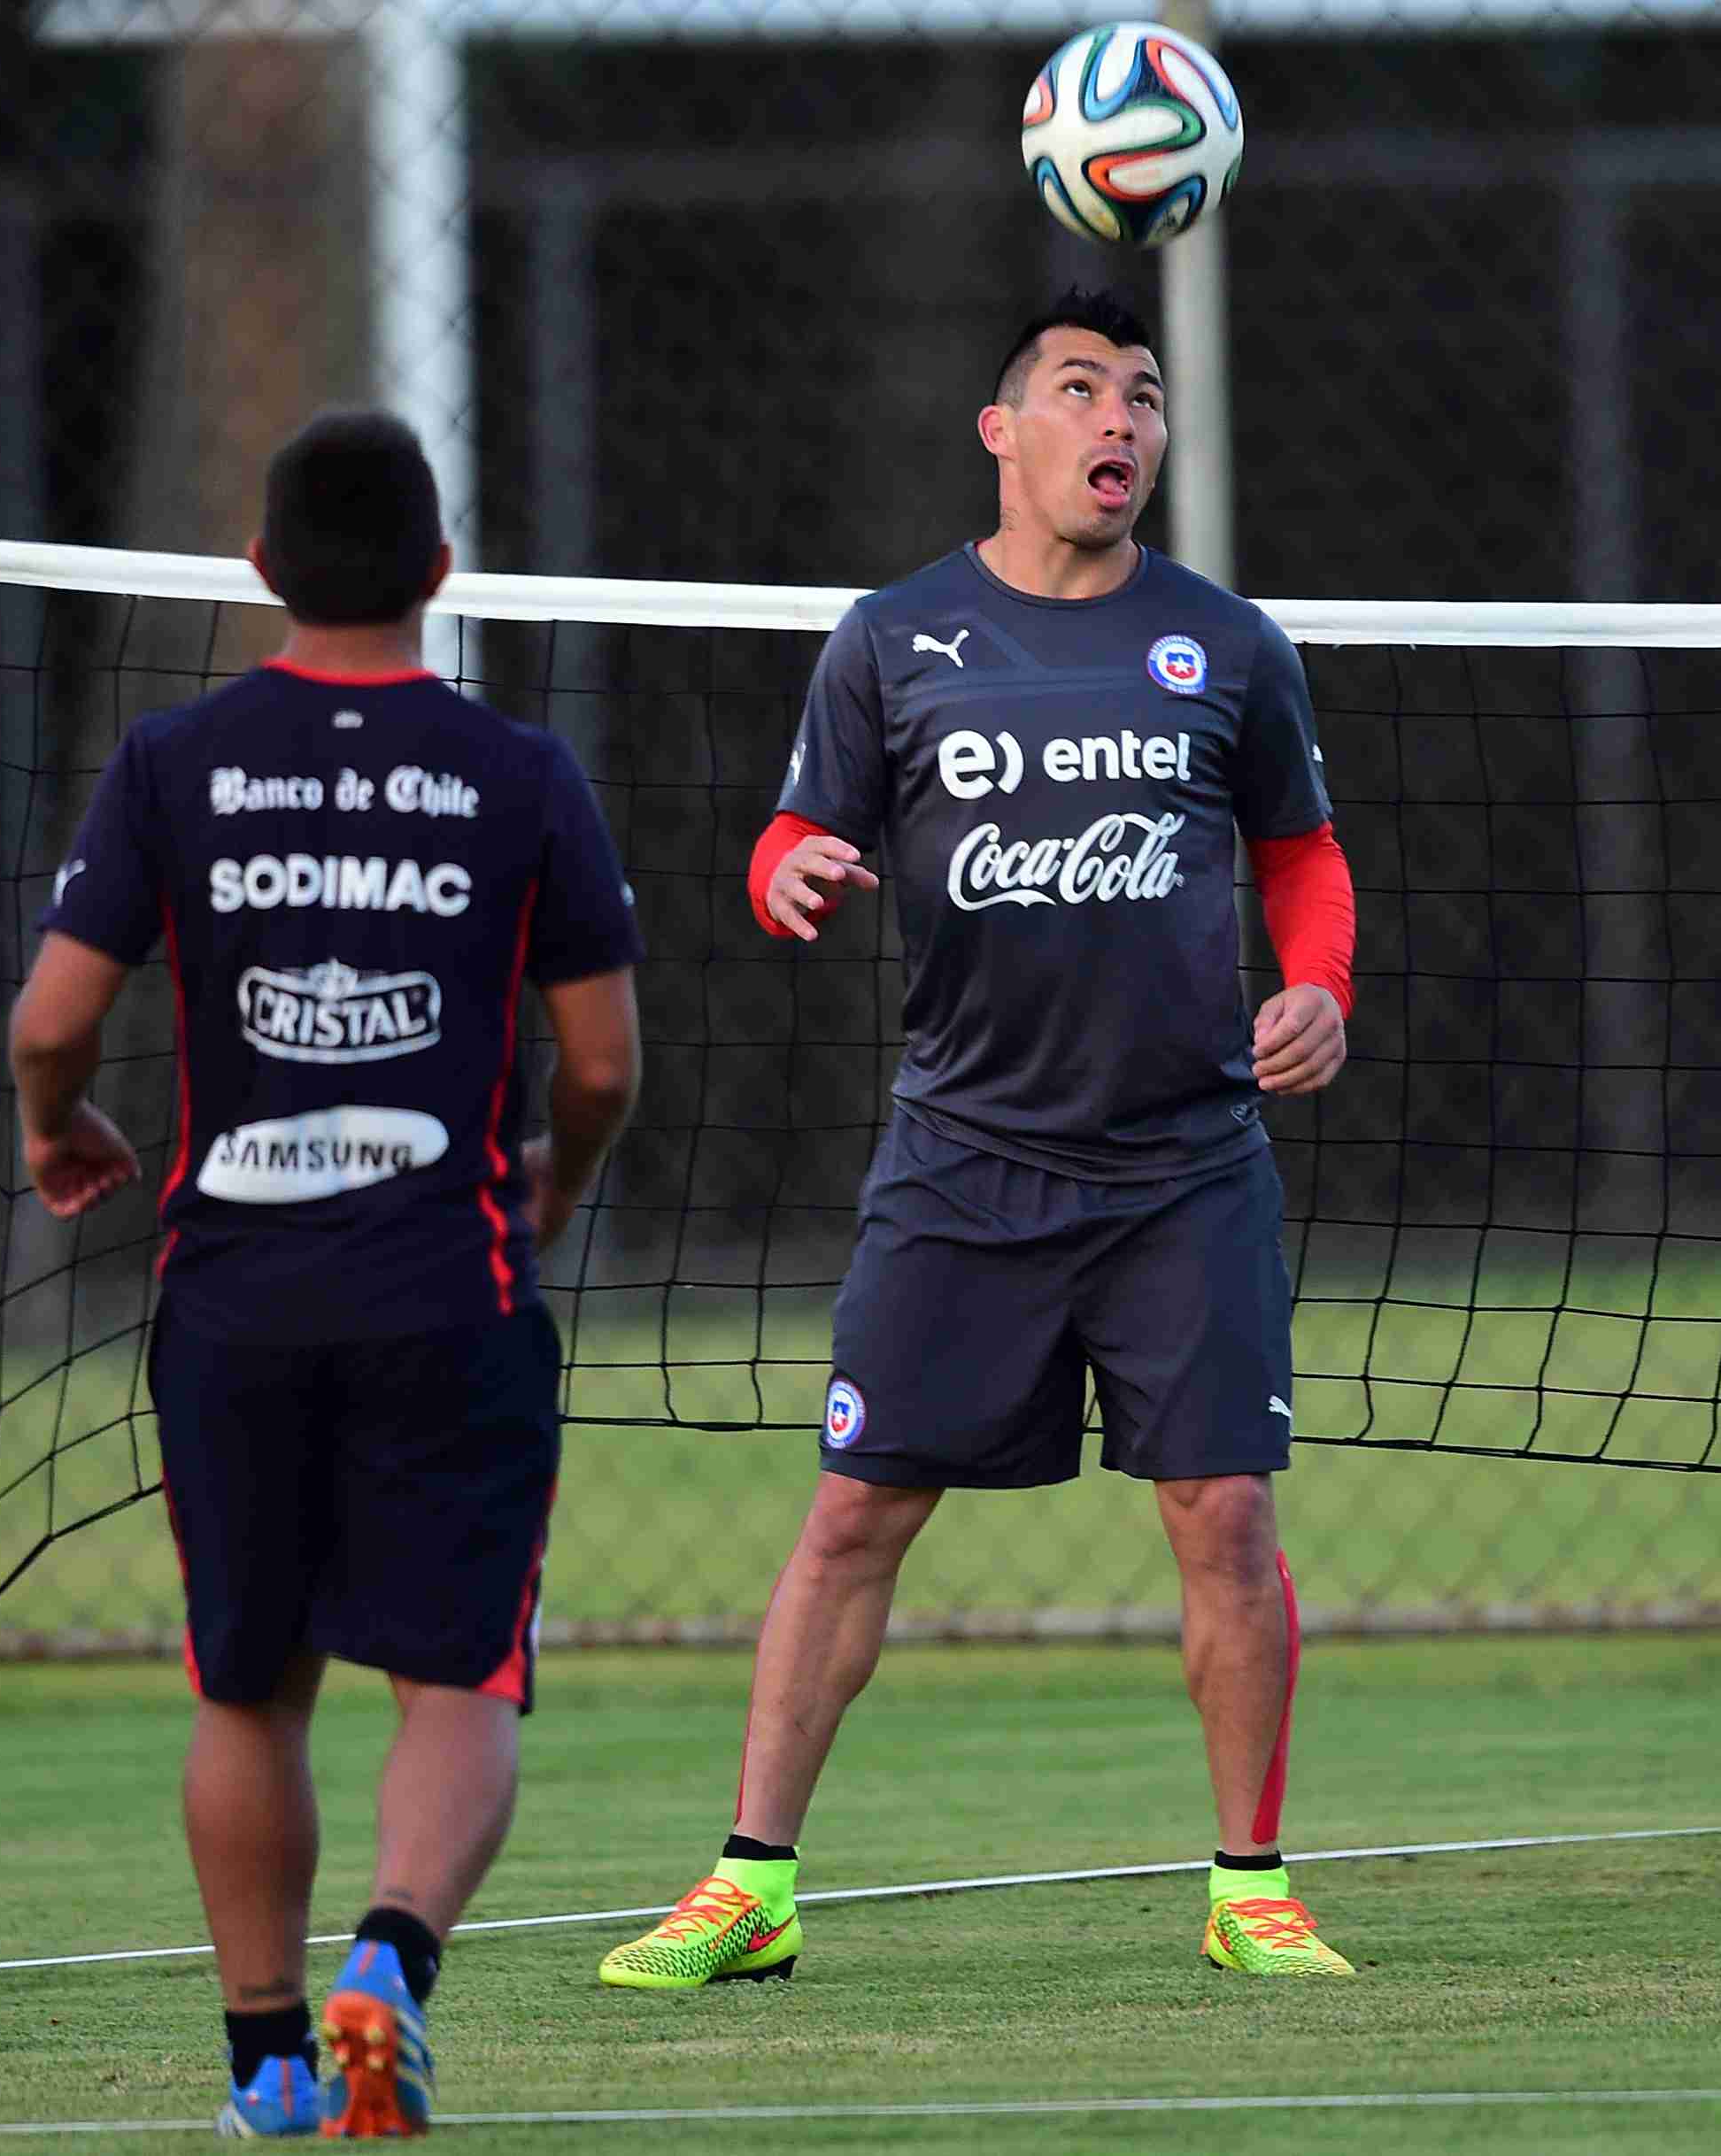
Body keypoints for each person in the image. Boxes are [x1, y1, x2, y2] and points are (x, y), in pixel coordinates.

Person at [598, 288, 1359, 1989]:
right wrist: (785, 872)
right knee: (854, 1518)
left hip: (1184, 1166)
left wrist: (1320, 984)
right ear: (1004, 431)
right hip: (963, 1160)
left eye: (1143, 395)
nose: (1122, 419)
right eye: (1082, 389)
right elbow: (795, 827)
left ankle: (1252, 1889)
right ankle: (750, 1885)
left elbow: (1303, 853)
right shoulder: (893, 638)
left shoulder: (1228, 645)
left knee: (1226, 1514)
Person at [10, 411, 643, 2134]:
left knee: (248, 1686)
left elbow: (49, 1022)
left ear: (263, 567)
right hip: (449, 1283)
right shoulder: (520, 773)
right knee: (460, 1674)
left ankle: (269, 2065)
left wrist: (56, 1127)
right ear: (438, 571)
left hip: (236, 1297)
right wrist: (559, 1178)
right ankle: (391, 1958)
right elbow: (602, 1065)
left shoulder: (174, 760)